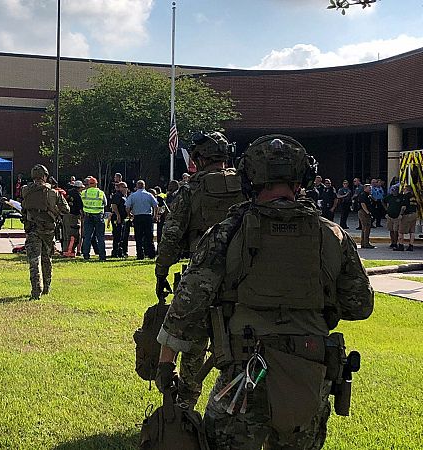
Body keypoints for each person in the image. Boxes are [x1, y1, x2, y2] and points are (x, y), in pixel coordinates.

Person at [154, 134, 373, 449]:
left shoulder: (226, 234)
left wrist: (165, 363)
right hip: (308, 376)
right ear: (302, 179)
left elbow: (187, 306)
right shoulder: (332, 235)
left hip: (245, 376)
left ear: (249, 178)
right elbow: (360, 306)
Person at [154, 131, 246, 408]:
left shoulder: (190, 190)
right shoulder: (246, 185)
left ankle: (185, 407)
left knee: (193, 343)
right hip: (245, 277)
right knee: (242, 344)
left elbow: (171, 236)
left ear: (198, 158)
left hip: (202, 274)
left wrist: (161, 272)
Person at [21, 164, 69, 299]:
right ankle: (47, 287)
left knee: (34, 260)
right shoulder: (53, 193)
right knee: (47, 258)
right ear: (45, 176)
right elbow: (66, 209)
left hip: (32, 229)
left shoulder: (25, 190)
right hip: (48, 230)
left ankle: (36, 290)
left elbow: (24, 206)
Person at [125, 180, 158, 259]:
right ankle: (151, 254)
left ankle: (140, 254)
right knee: (149, 236)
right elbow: (155, 205)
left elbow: (127, 206)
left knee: (138, 237)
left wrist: (129, 214)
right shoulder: (149, 195)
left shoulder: (133, 196)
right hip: (147, 217)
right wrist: (155, 215)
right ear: (144, 186)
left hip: (137, 217)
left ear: (136, 186)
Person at [80, 176, 107, 261]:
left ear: (88, 184)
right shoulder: (100, 193)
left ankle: (86, 255)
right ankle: (102, 256)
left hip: (88, 216)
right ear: (96, 184)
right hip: (98, 216)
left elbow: (81, 203)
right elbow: (105, 203)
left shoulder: (84, 192)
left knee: (87, 236)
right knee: (100, 237)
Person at [62, 180, 84, 256]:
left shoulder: (68, 192)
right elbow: (80, 207)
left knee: (66, 234)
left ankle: (65, 250)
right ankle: (70, 252)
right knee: (74, 234)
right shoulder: (77, 195)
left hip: (65, 215)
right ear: (79, 188)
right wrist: (82, 216)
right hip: (74, 216)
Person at [110, 181, 129, 258]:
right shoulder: (117, 195)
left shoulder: (124, 196)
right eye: (125, 187)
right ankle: (115, 252)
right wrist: (118, 216)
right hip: (117, 218)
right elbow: (114, 206)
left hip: (122, 218)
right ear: (120, 188)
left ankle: (120, 252)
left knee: (121, 236)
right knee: (117, 235)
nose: (126, 189)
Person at [383, 184, 403, 249]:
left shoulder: (401, 197)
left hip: (397, 217)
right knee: (391, 230)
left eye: (395, 190)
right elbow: (383, 201)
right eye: (393, 190)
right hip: (389, 216)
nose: (394, 191)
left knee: (396, 230)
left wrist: (401, 214)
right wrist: (386, 208)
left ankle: (395, 242)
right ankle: (392, 242)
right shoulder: (389, 197)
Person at [399, 184, 418, 251]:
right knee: (412, 231)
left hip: (407, 215)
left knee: (401, 231)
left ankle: (401, 245)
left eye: (404, 189)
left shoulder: (406, 196)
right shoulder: (414, 197)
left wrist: (400, 214)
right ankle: (411, 245)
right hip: (414, 214)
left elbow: (404, 207)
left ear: (406, 189)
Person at [356, 183, 375, 249]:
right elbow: (363, 204)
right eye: (369, 188)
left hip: (366, 212)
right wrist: (367, 212)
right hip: (363, 212)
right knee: (366, 228)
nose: (370, 189)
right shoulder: (363, 194)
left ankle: (364, 243)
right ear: (365, 188)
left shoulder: (368, 195)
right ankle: (365, 243)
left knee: (366, 228)